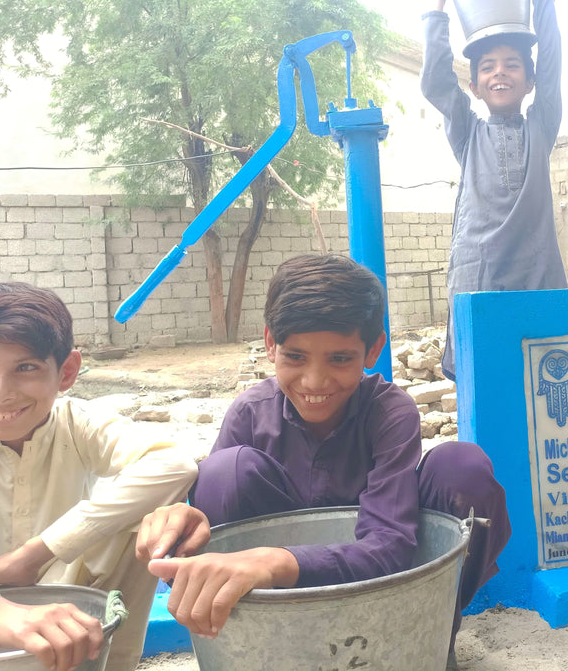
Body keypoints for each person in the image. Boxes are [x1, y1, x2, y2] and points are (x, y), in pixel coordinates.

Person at [136, 253, 510, 669]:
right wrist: (179, 532)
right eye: (295, 357)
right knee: (223, 472)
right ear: (269, 344)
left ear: (373, 351)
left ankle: (432, 636)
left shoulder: (390, 412)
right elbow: (211, 551)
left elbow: (388, 548)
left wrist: (277, 560)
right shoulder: (249, 413)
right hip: (282, 615)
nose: (315, 381)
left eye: (340, 359)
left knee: (464, 470)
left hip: (388, 595)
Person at [0, 282, 198, 671]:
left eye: (26, 368)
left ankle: (111, 664)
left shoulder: (79, 424)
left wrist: (36, 554)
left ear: (67, 372)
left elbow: (175, 466)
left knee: (150, 516)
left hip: (68, 597)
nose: (2, 394)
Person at [421, 0, 568, 380]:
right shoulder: (468, 132)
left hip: (536, 273)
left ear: (529, 80)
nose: (499, 72)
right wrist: (438, 5)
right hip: (478, 276)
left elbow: (554, 58)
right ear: (475, 86)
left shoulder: (541, 126)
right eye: (487, 67)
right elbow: (435, 82)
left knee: (544, 374)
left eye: (511, 65)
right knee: (483, 379)